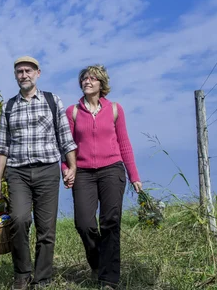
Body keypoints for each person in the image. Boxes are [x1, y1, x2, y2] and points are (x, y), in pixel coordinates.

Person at [0, 56, 78, 290]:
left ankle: (42, 279)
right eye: (19, 71)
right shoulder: (8, 107)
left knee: (46, 228)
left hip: (48, 171)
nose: (24, 75)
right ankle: (22, 274)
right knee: (19, 220)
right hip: (17, 173)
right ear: (15, 75)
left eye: (28, 70)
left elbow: (65, 138)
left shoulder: (52, 101)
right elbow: (2, 147)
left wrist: (72, 167)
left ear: (38, 73)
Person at [62, 64, 142, 289]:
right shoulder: (73, 112)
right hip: (83, 173)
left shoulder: (115, 109)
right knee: (84, 223)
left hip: (112, 169)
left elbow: (124, 143)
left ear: (101, 84)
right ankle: (98, 262)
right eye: (84, 79)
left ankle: (108, 279)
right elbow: (66, 146)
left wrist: (134, 175)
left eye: (92, 78)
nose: (87, 81)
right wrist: (66, 169)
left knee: (110, 222)